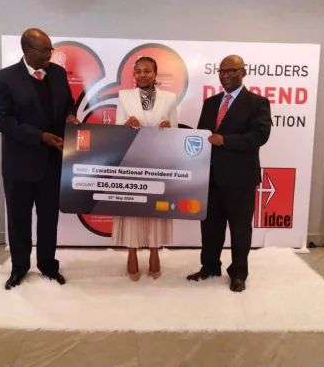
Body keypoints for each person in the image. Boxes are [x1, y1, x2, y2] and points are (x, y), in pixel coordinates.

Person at [0, 28, 80, 290]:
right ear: (26, 50)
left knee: (49, 219)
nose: (48, 55)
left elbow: (68, 103)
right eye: (43, 51)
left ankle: (48, 265)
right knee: (19, 220)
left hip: (52, 163)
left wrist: (70, 116)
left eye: (50, 49)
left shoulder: (58, 73)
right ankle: (19, 268)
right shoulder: (5, 78)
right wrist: (39, 136)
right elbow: (0, 120)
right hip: (19, 164)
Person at [187, 55, 271, 292]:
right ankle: (210, 267)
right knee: (210, 227)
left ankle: (238, 274)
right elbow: (203, 136)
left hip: (240, 178)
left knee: (240, 228)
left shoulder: (257, 102)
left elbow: (260, 136)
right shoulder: (211, 102)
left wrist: (225, 140)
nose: (225, 75)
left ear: (243, 72)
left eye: (231, 70)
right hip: (211, 176)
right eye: (221, 71)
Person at [112, 56, 178, 281]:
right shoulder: (124, 96)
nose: (142, 75)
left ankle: (154, 252)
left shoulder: (169, 98)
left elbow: (176, 133)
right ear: (134, 75)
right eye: (138, 71)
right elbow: (116, 132)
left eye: (147, 71)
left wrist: (170, 128)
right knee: (131, 208)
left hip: (158, 163)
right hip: (132, 161)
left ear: (155, 73)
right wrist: (125, 125)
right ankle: (131, 252)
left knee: (156, 209)